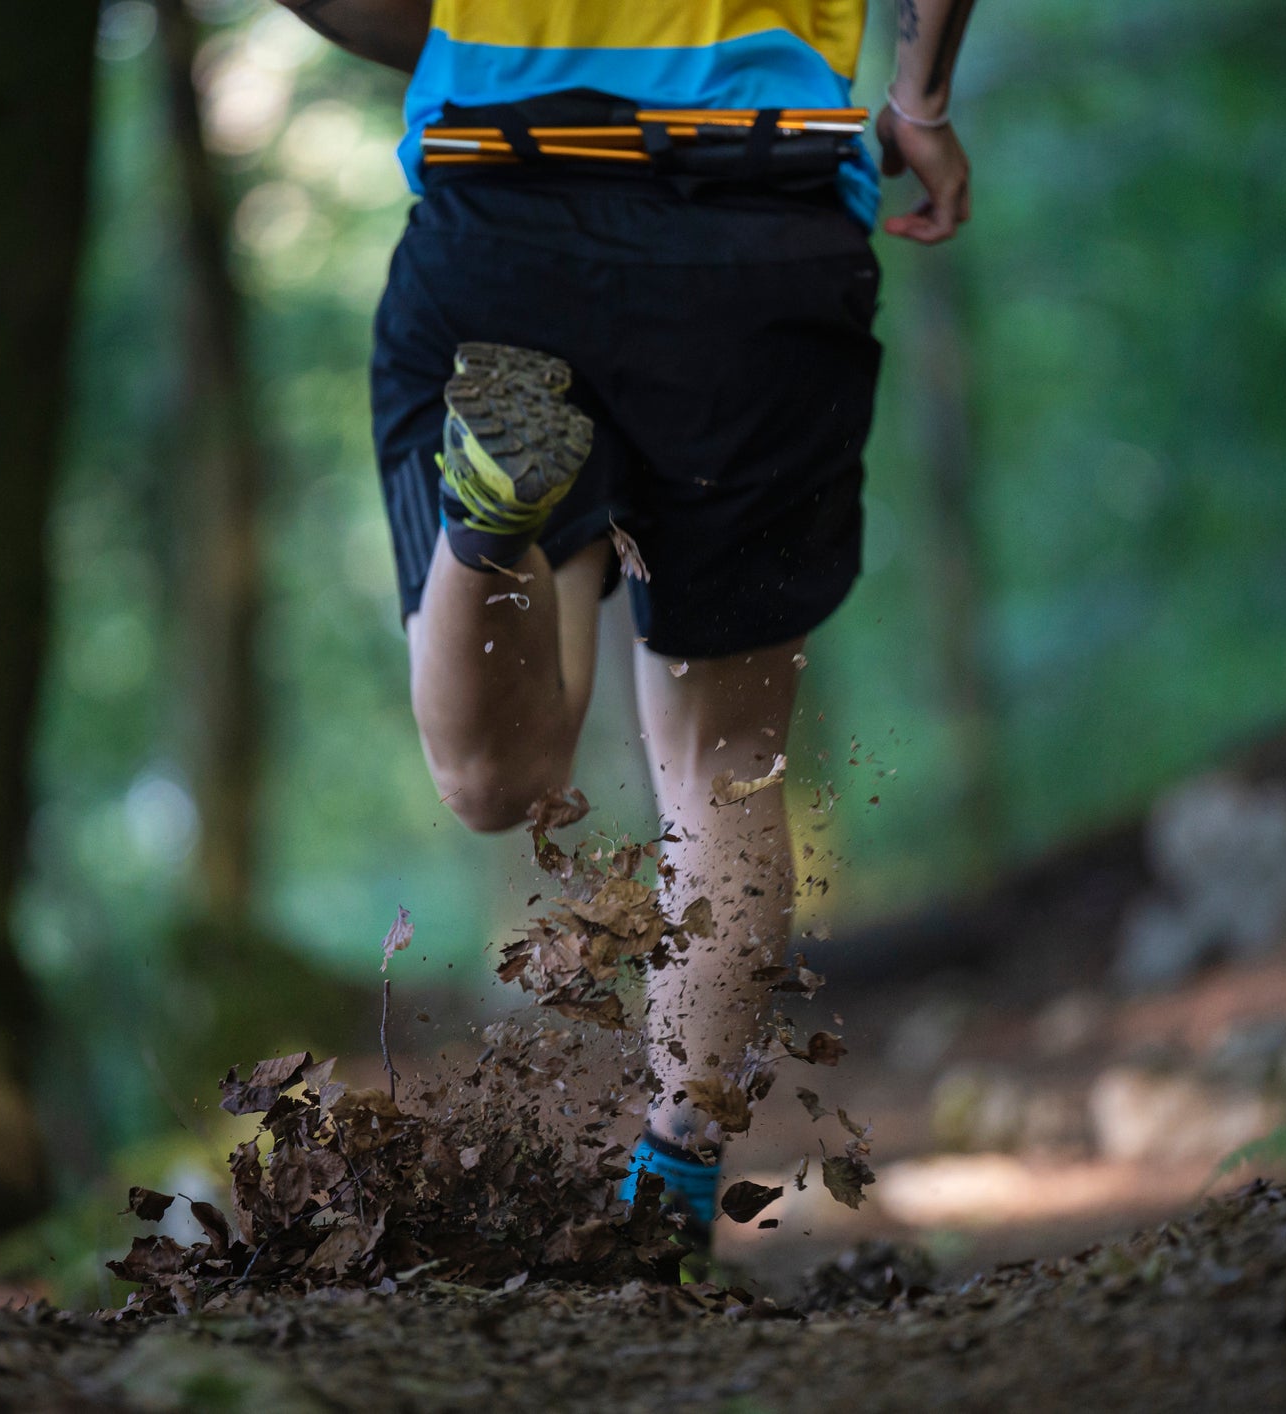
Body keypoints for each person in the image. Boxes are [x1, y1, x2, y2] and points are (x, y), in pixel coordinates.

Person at [278, 0, 979, 1251]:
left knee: (499, 782)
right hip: (759, 234)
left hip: (498, 212)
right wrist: (918, 105)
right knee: (722, 763)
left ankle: (491, 510)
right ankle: (672, 1199)